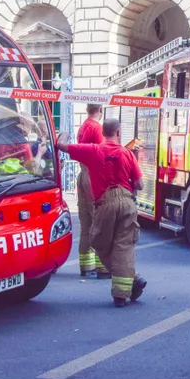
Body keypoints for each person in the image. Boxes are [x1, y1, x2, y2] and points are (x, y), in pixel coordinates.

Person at [58, 119, 146, 307]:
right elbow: (140, 184)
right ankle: (131, 282)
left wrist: (63, 133)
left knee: (99, 243)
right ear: (119, 132)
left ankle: (123, 292)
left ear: (103, 132)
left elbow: (62, 146)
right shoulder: (127, 153)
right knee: (123, 246)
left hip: (104, 205)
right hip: (127, 203)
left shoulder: (92, 151)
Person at [75, 104, 106, 278]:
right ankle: (103, 267)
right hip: (93, 178)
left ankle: (86, 266)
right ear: (100, 110)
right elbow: (102, 154)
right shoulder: (96, 128)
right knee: (100, 222)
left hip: (82, 175)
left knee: (86, 223)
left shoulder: (83, 126)